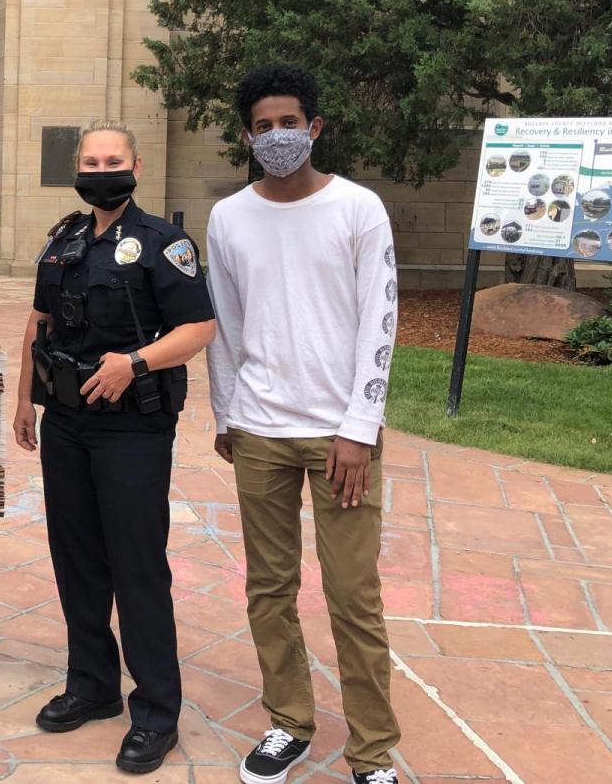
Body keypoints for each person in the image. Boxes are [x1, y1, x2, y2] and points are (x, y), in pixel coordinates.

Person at [205, 64, 401, 784]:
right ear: (248, 135)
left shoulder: (358, 208)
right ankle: (289, 720)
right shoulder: (229, 216)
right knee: (269, 587)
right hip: (259, 428)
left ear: (314, 128)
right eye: (264, 126)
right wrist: (227, 413)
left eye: (291, 123)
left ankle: (373, 750)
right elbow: (223, 323)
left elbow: (381, 322)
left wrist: (360, 425)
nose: (279, 136)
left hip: (339, 434)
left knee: (353, 594)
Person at [13, 121, 215, 775]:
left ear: (137, 164)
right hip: (66, 423)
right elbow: (38, 324)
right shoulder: (65, 239)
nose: (102, 169)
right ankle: (92, 684)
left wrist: (135, 360)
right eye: (92, 160)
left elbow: (198, 327)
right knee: (76, 559)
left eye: (113, 159)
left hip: (133, 426)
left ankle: (156, 711)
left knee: (136, 565)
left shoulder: (163, 243)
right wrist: (24, 400)